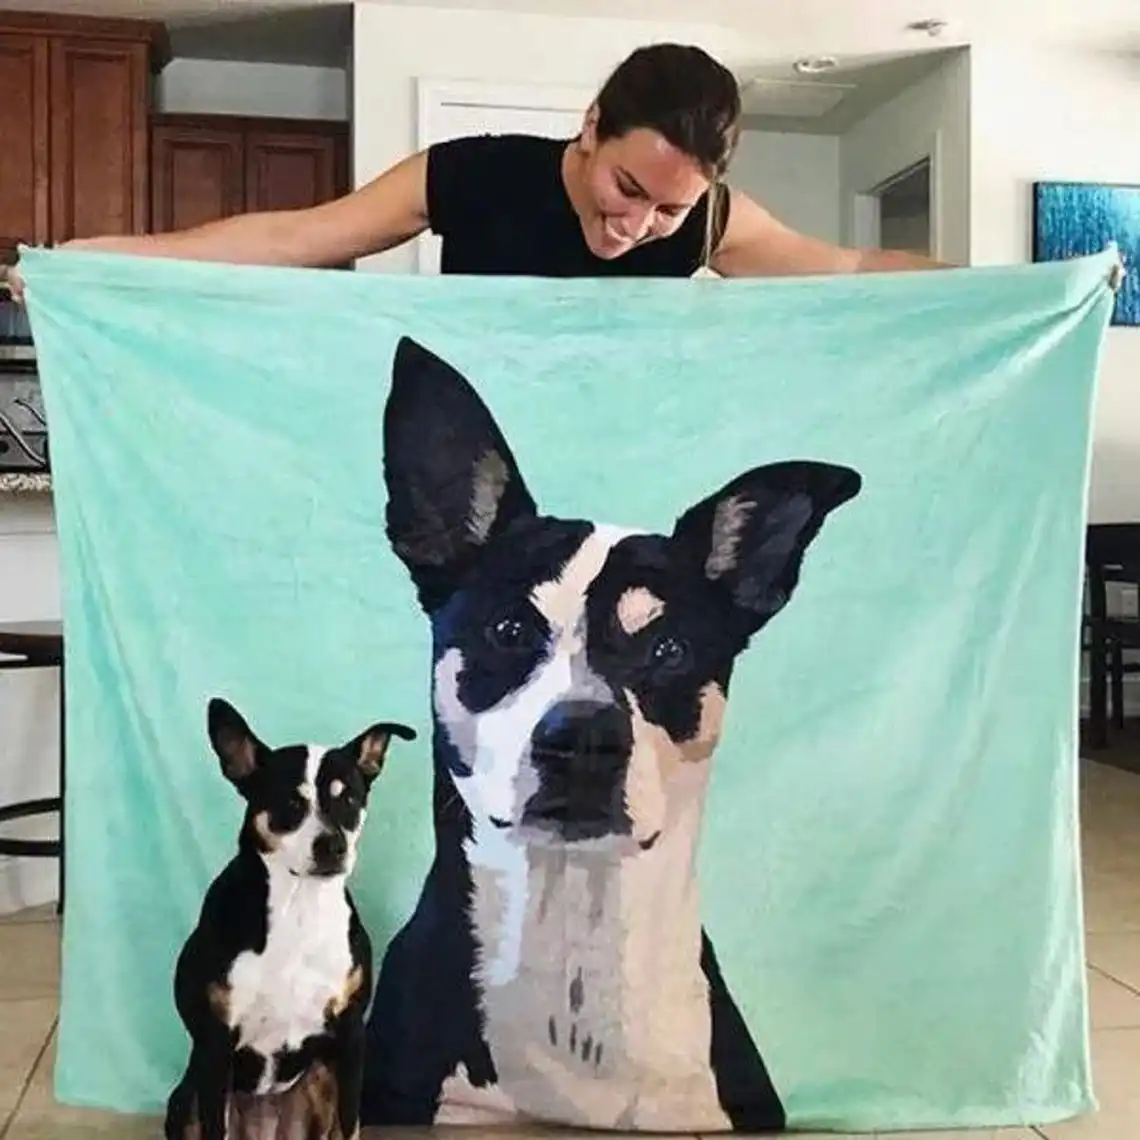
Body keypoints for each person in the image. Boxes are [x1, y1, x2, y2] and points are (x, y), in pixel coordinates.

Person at [1, 42, 947, 302]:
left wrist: (1042, 292)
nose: (636, 226)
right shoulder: (469, 176)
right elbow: (295, 236)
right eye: (628, 189)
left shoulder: (709, 222)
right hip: (474, 471)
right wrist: (92, 258)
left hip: (617, 471)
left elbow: (856, 272)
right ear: (590, 129)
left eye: (668, 211)